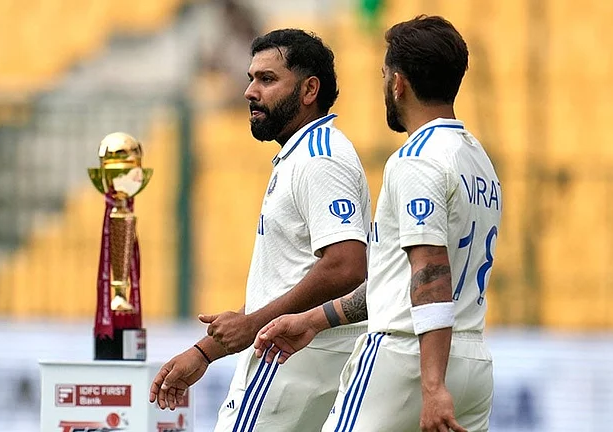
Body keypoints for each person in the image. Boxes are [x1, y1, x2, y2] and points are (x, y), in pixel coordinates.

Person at [253, 15, 502, 432]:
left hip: (408, 357)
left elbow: (430, 272)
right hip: (472, 359)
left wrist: (432, 383)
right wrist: (313, 320)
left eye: (385, 74)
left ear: (398, 83)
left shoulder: (416, 159)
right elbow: (398, 279)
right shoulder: (479, 161)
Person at [150, 29, 372, 431]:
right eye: (251, 78)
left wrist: (253, 325)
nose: (250, 91)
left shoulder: (319, 159)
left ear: (309, 90)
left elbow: (347, 266)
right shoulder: (300, 156)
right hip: (298, 363)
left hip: (291, 362)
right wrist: (203, 353)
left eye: (266, 80)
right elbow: (284, 285)